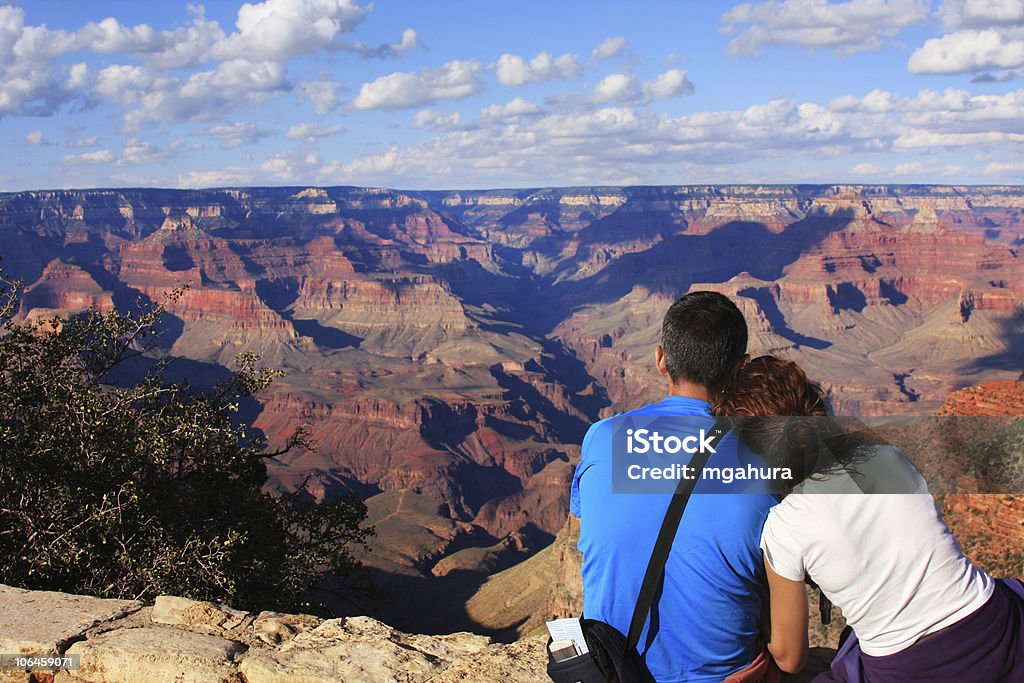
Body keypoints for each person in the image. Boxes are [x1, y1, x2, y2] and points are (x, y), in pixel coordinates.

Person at [716, 355, 1024, 681]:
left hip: (908, 669)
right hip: (998, 627)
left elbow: (790, 658)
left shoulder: (785, 527)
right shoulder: (889, 457)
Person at [570, 291, 778, 683]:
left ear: (660, 358)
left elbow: (596, 521)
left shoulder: (602, 437)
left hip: (615, 669)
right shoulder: (763, 461)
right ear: (741, 369)